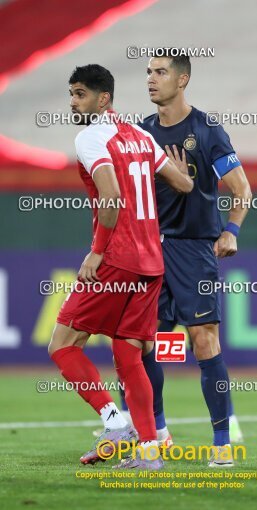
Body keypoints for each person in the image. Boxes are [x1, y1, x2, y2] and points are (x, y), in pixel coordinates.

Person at [48, 64, 193, 470]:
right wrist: (178, 173)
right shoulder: (141, 136)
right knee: (129, 356)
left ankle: (115, 422)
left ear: (103, 99)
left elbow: (110, 197)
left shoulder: (92, 137)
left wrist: (97, 252)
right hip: (151, 263)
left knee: (62, 344)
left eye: (79, 94)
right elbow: (183, 185)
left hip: (117, 260)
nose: (73, 102)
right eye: (71, 94)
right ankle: (149, 453)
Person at [126, 52, 252, 468]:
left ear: (182, 81)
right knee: (147, 347)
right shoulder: (140, 132)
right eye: (148, 72)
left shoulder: (207, 129)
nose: (150, 79)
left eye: (160, 72)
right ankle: (156, 432)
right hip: (148, 251)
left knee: (203, 341)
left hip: (193, 249)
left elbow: (241, 190)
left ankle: (221, 443)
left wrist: (231, 231)